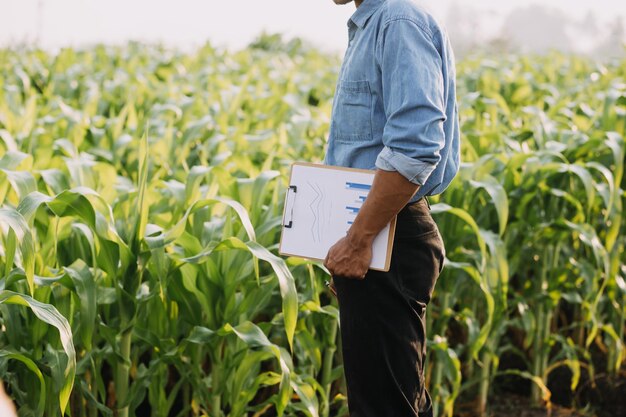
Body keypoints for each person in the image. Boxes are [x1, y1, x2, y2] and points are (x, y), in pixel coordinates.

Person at [322, 0, 460, 416]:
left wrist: (359, 240)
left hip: (389, 234)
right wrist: (349, 242)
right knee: (395, 401)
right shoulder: (373, 24)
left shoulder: (398, 22)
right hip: (379, 234)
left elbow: (415, 148)